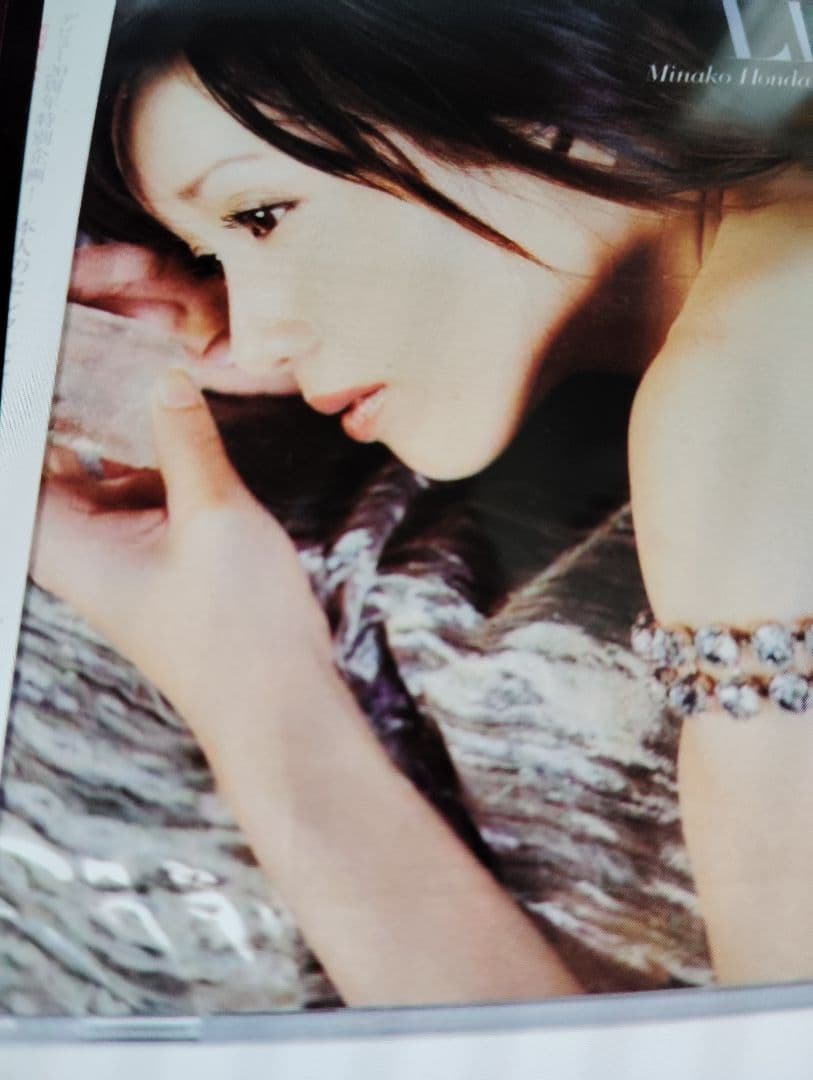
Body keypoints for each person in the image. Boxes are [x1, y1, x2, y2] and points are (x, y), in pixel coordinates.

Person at [30, 0, 813, 1003]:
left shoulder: (749, 387)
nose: (258, 340)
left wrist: (246, 687)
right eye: (218, 259)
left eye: (262, 214)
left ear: (522, 79)